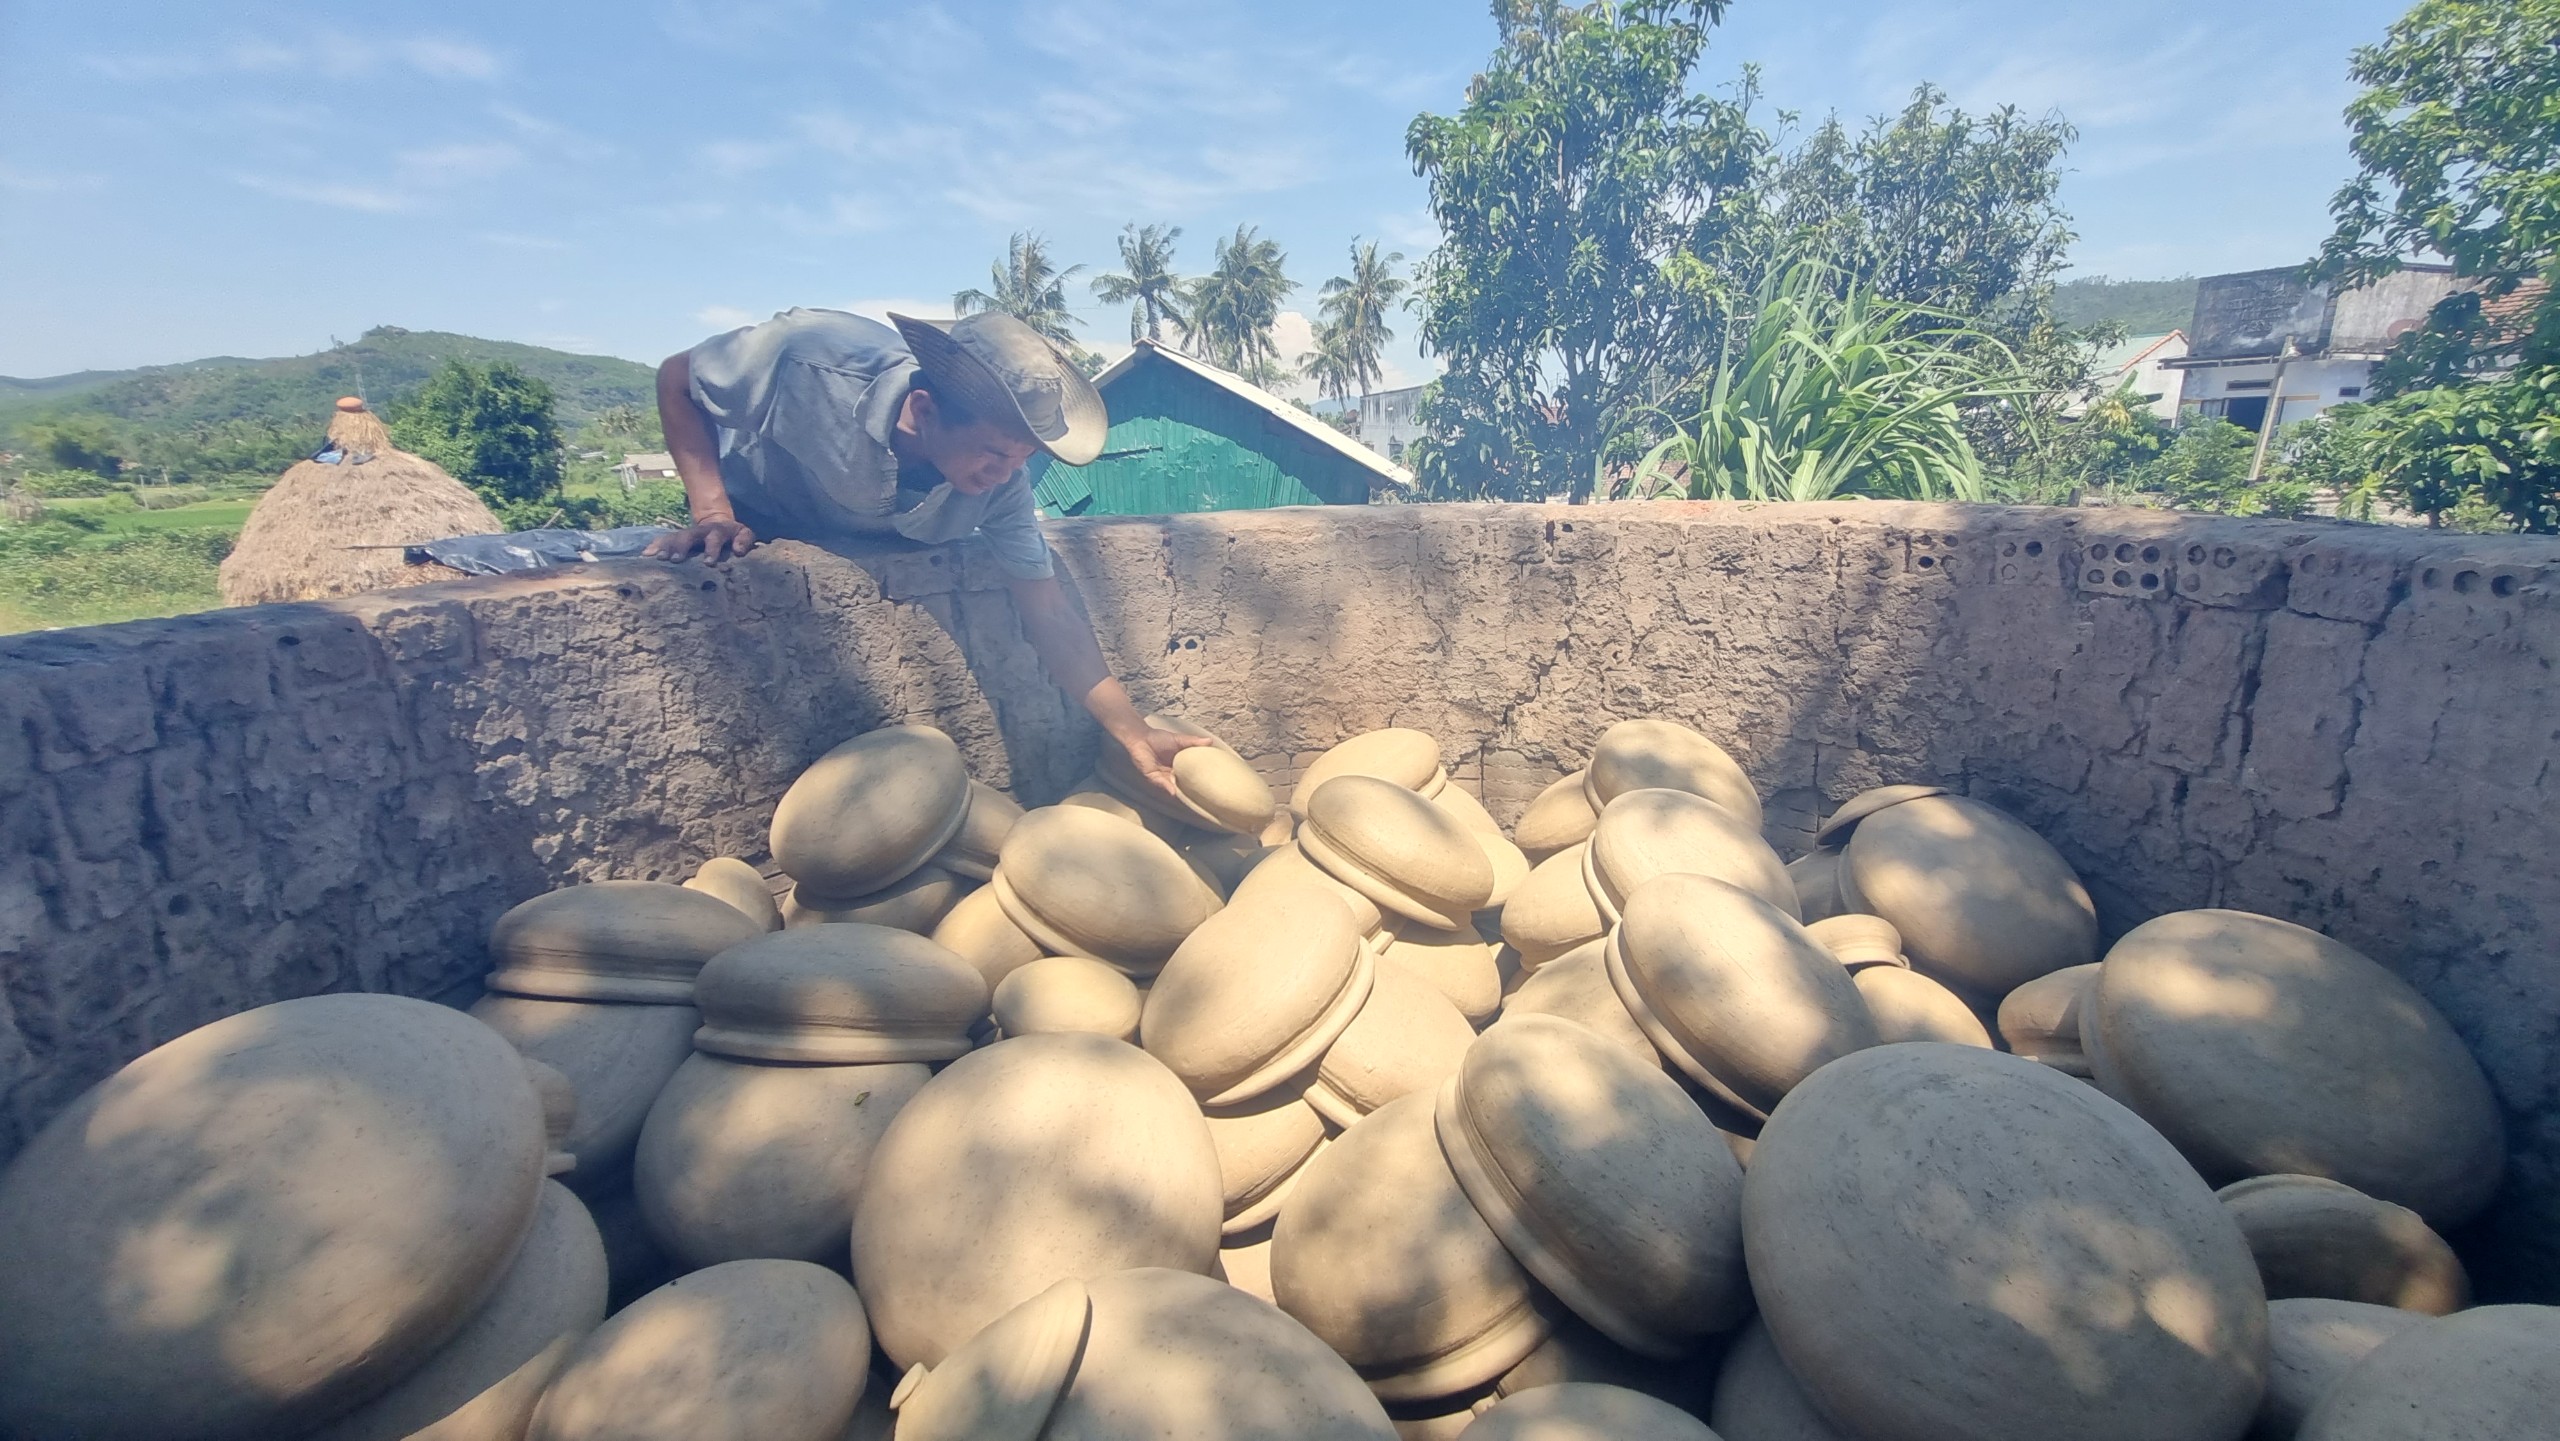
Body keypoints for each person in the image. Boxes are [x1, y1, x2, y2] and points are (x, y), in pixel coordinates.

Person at [647, 306, 1205, 793]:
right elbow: (678, 378)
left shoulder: (1003, 487)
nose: (1005, 474)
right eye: (993, 453)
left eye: (1023, 458)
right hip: (758, 518)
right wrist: (713, 512)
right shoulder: (807, 360)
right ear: (924, 409)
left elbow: (1050, 611)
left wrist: (1135, 732)